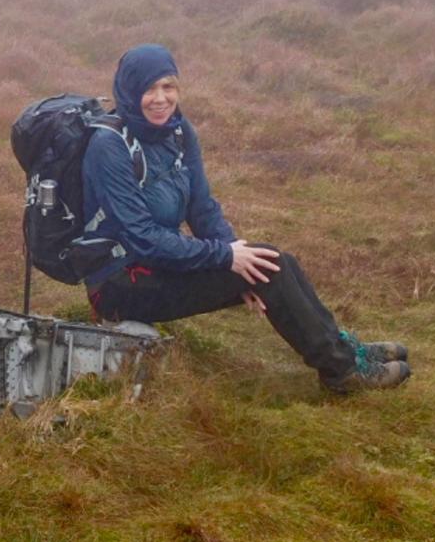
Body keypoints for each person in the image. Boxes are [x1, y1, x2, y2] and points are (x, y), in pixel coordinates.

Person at [81, 43, 409, 393]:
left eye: (168, 86)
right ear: (130, 91)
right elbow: (142, 238)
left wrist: (237, 260)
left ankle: (343, 350)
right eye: (149, 89)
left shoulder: (178, 132)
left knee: (271, 263)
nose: (160, 98)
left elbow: (202, 208)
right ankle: (342, 372)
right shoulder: (109, 147)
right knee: (269, 268)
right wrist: (227, 259)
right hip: (120, 283)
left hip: (160, 264)